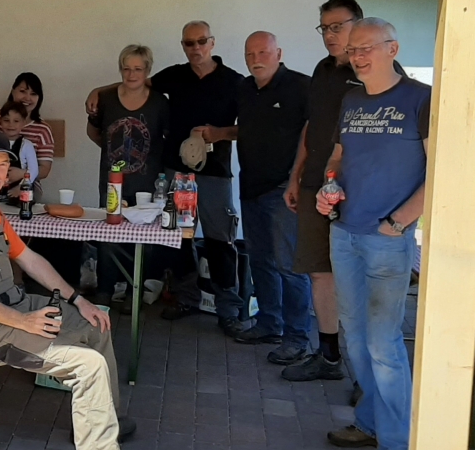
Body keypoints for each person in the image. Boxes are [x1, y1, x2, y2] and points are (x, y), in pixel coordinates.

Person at [0, 129, 134, 450]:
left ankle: (108, 418)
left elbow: (30, 260)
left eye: (3, 166)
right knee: (88, 365)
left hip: (15, 306)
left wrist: (78, 300)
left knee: (96, 326)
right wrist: (24, 322)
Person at [86, 21, 246, 334]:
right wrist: (97, 90)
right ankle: (186, 297)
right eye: (189, 43)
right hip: (176, 170)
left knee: (219, 239)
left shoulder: (234, 82)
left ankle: (229, 309)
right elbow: (135, 83)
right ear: (183, 46)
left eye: (201, 42)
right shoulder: (174, 75)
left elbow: (248, 126)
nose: (195, 48)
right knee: (178, 237)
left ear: (212, 43)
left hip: (215, 173)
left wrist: (221, 133)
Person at [316, 18, 428, 450]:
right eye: (353, 50)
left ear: (392, 49)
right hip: (344, 232)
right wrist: (329, 185)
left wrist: (399, 222)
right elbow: (339, 155)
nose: (358, 56)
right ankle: (368, 421)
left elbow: (440, 171)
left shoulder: (420, 99)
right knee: (355, 339)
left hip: (388, 239)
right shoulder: (352, 99)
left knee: (383, 344)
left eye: (368, 48)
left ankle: (398, 443)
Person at [281, 0, 406, 383]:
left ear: (359, 23)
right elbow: (312, 126)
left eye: (339, 26)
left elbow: (395, 141)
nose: (331, 35)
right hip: (316, 185)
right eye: (325, 28)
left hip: (360, 195)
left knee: (362, 282)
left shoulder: (380, 72)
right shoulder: (321, 70)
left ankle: (368, 377)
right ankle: (330, 356)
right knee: (320, 273)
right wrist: (296, 173)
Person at [230, 33, 314, 366]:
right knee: (260, 260)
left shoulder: (301, 87)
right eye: (249, 53)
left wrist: (298, 179)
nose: (255, 58)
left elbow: (316, 134)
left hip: (284, 191)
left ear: (278, 53)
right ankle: (269, 324)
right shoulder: (245, 90)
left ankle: (297, 339)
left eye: (263, 51)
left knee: (291, 267)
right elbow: (247, 130)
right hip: (250, 188)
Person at [85, 45, 169, 307]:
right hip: (112, 182)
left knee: (141, 239)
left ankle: (136, 292)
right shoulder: (106, 98)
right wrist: (116, 156)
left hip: (147, 184)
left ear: (147, 70)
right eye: (126, 68)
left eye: (138, 69)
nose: (131, 74)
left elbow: (166, 139)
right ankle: (105, 292)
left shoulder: (160, 102)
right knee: (109, 237)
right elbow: (94, 132)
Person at [0, 73, 56, 180]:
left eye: (33, 94)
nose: (27, 98)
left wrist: (23, 174)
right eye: (22, 91)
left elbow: (44, 169)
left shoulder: (43, 130)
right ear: (13, 92)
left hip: (27, 184)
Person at [0, 101, 39, 197]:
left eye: (16, 121)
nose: (10, 125)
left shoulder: (27, 145)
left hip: (21, 187)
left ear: (23, 123)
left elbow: (33, 170)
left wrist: (21, 187)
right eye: (6, 120)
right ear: (0, 121)